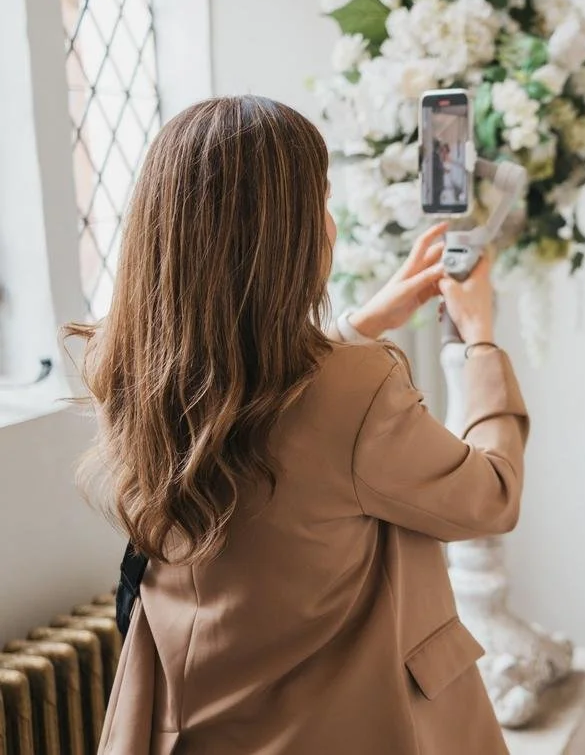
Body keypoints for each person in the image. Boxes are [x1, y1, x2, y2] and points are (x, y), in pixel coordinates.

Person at [67, 96, 526, 755]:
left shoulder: (134, 371)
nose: (332, 224)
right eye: (323, 201)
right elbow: (492, 492)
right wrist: (480, 339)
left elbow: (265, 392)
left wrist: (362, 322)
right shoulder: (358, 389)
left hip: (205, 723)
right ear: (286, 236)